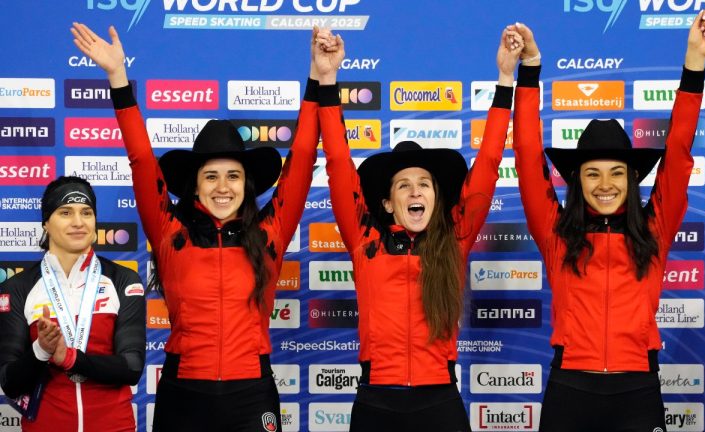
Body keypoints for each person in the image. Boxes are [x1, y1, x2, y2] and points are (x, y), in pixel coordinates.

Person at [70, 22, 323, 431]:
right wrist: (117, 77)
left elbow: (304, 157)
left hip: (251, 394)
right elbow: (141, 160)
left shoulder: (269, 233)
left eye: (233, 176)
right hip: (183, 393)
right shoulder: (170, 232)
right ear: (195, 185)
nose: (223, 187)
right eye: (211, 176)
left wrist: (318, 77)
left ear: (247, 184)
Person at [511, 12, 705, 432]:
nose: (605, 185)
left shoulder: (655, 228)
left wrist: (694, 62)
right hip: (570, 390)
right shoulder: (556, 233)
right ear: (577, 181)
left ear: (632, 179)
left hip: (638, 392)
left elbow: (679, 151)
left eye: (616, 173)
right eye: (592, 174)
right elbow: (528, 157)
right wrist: (530, 69)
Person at [316, 27, 523, 431]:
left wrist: (505, 79)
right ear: (387, 203)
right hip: (376, 402)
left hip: (439, 403)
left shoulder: (455, 239)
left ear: (436, 197)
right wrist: (327, 80)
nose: (415, 191)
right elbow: (339, 165)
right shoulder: (365, 240)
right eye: (404, 185)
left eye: (424, 184)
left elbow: (488, 164)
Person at [0, 176, 146, 432]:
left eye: (86, 212)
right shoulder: (18, 287)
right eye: (65, 212)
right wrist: (41, 350)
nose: (78, 222)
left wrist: (69, 358)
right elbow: (9, 383)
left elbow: (131, 367)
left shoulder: (123, 279)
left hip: (113, 426)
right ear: (46, 222)